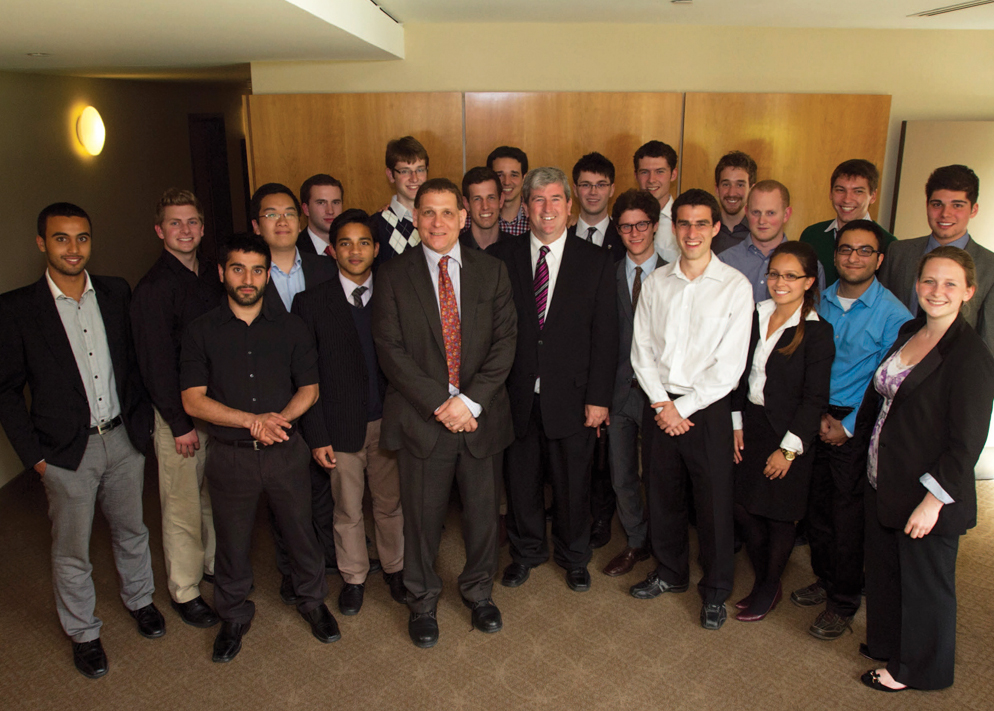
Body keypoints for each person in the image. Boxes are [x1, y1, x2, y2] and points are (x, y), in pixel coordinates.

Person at [0, 203, 160, 679]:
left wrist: (140, 424)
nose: (73, 248)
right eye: (62, 238)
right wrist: (37, 459)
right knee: (72, 549)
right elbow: (6, 390)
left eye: (82, 238)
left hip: (122, 440)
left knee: (133, 530)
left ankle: (141, 601)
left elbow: (133, 365)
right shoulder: (16, 309)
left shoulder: (115, 292)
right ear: (41, 243)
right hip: (66, 452)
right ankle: (84, 633)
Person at [372, 178, 517, 648]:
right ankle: (421, 599)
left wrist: (469, 402)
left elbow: (504, 343)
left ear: (463, 217)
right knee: (420, 519)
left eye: (447, 213)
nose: (438, 222)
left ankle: (478, 592)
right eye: (428, 213)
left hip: (480, 417)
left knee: (482, 517)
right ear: (416, 219)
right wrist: (442, 403)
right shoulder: (393, 275)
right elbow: (391, 351)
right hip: (423, 420)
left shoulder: (491, 271)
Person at [180, 234, 340, 662]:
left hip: (285, 450)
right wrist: (252, 422)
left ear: (267, 274)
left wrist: (277, 423)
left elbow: (310, 388)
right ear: (221, 273)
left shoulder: (292, 326)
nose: (247, 279)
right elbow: (193, 399)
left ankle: (312, 602)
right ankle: (233, 614)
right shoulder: (201, 331)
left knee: (301, 534)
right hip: (230, 455)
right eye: (237, 269)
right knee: (232, 543)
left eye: (256, 270)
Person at [855, 246, 994, 692]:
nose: (937, 291)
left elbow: (966, 442)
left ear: (968, 291)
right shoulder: (911, 330)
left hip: (927, 492)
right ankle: (888, 644)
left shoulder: (970, 355)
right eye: (929, 281)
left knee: (925, 585)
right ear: (917, 285)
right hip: (885, 476)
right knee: (886, 572)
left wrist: (933, 501)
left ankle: (918, 670)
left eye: (950, 283)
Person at [629, 188, 753, 630]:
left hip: (708, 409)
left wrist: (683, 408)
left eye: (702, 223)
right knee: (662, 495)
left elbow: (730, 366)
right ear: (673, 228)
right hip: (660, 403)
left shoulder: (734, 287)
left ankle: (716, 590)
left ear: (716, 229)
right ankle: (670, 572)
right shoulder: (658, 282)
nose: (693, 231)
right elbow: (640, 347)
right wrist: (663, 403)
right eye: (684, 222)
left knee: (714, 504)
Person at [489, 167, 618, 593]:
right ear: (525, 207)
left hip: (575, 396)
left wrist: (600, 398)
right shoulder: (501, 259)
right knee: (522, 482)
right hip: (517, 396)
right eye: (538, 200)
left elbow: (606, 336)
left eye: (555, 200)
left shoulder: (596, 261)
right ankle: (526, 552)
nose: (547, 209)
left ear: (569, 205)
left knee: (573, 484)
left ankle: (574, 555)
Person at [792, 219, 911, 641]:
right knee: (816, 509)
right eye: (845, 249)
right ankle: (825, 579)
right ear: (835, 254)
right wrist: (812, 415)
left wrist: (845, 424)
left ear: (879, 259)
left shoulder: (896, 315)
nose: (853, 257)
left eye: (864, 251)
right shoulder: (817, 300)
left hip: (856, 421)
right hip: (813, 413)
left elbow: (885, 382)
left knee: (847, 516)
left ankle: (843, 601)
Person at [295, 209, 407, 616]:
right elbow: (304, 376)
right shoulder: (310, 303)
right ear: (331, 250)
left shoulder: (396, 294)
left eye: (363, 242)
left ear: (377, 249)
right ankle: (355, 577)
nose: (355, 251)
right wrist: (317, 433)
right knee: (346, 509)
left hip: (388, 422)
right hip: (338, 427)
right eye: (345, 243)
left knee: (390, 504)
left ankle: (395, 568)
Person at [131, 188, 221, 630]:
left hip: (216, 411)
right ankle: (185, 590)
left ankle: (212, 567)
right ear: (159, 230)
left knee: (212, 497)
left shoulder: (210, 276)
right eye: (174, 223)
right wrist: (179, 424)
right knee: (182, 506)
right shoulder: (153, 289)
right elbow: (155, 365)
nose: (184, 230)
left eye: (191, 222)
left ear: (202, 228)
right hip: (179, 420)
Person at [730, 241, 834, 622]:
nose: (780, 282)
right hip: (751, 425)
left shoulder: (817, 333)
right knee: (741, 505)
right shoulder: (755, 313)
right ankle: (766, 580)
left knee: (778, 516)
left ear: (809, 281)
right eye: (774, 273)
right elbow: (739, 375)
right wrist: (735, 422)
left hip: (789, 434)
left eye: (791, 276)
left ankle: (767, 585)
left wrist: (789, 450)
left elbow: (814, 399)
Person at [250, 183, 341, 605]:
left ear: (301, 218)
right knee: (282, 493)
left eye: (289, 213)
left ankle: (325, 560)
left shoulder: (325, 268)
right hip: (271, 402)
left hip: (320, 394)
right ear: (257, 225)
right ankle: (290, 570)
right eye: (271, 214)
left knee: (323, 484)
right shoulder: (248, 277)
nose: (282, 222)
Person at [601, 189, 665, 577]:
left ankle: (664, 543)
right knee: (621, 473)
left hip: (660, 396)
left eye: (642, 224)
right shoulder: (605, 275)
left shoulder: (676, 274)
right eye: (626, 226)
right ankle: (636, 542)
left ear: (656, 226)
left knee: (659, 477)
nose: (634, 232)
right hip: (617, 393)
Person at [878, 164, 994, 353]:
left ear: (973, 210)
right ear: (927, 205)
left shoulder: (990, 267)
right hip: (894, 364)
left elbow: (988, 342)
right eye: (937, 204)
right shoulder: (898, 252)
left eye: (957, 205)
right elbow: (880, 315)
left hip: (954, 373)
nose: (945, 213)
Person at [720, 180, 825, 303]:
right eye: (756, 212)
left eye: (770, 213)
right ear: (747, 212)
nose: (762, 221)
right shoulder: (724, 262)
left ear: (786, 214)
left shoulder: (810, 266)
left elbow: (814, 316)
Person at [799, 159, 897, 285]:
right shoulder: (812, 235)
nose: (847, 199)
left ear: (873, 196)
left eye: (858, 191)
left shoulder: (889, 245)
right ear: (830, 192)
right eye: (840, 190)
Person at [373, 136, 429, 261]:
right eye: (405, 171)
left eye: (420, 170)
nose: (414, 178)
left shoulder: (437, 221)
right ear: (391, 175)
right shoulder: (376, 226)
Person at [568, 152, 625, 261]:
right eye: (586, 185)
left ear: (612, 189)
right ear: (575, 190)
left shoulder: (623, 237)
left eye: (601, 185)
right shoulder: (563, 234)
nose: (593, 192)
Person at [633, 140, 679, 263]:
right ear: (636, 175)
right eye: (644, 172)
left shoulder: (683, 221)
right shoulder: (626, 222)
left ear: (673, 174)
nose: (651, 180)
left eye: (659, 172)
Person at [711, 151, 757, 255]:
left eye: (740, 185)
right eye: (726, 184)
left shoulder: (760, 233)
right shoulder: (704, 230)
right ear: (717, 189)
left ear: (752, 190)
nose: (732, 193)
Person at [460, 166, 513, 250]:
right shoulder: (456, 248)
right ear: (466, 204)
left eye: (491, 198)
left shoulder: (517, 250)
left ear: (501, 200)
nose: (485, 206)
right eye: (477, 199)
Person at [487, 145, 530, 236]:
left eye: (514, 175)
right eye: (500, 175)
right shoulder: (474, 219)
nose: (506, 182)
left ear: (524, 179)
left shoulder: (535, 217)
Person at [297, 173, 344, 256]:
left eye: (335, 202)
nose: (330, 211)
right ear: (306, 209)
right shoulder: (295, 250)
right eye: (321, 203)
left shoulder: (353, 247)